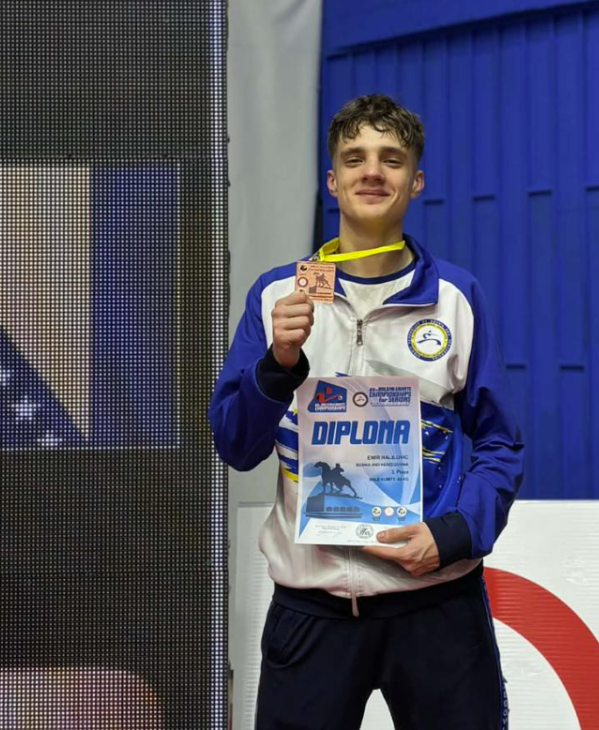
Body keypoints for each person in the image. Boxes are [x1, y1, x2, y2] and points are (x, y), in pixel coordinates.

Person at [209, 94, 524, 730]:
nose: (372, 171)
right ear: (332, 181)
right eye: (354, 159)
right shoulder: (279, 295)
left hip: (436, 604)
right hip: (312, 609)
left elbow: (500, 444)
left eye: (391, 159)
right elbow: (236, 446)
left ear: (416, 181)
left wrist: (454, 535)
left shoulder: (456, 298)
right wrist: (277, 364)